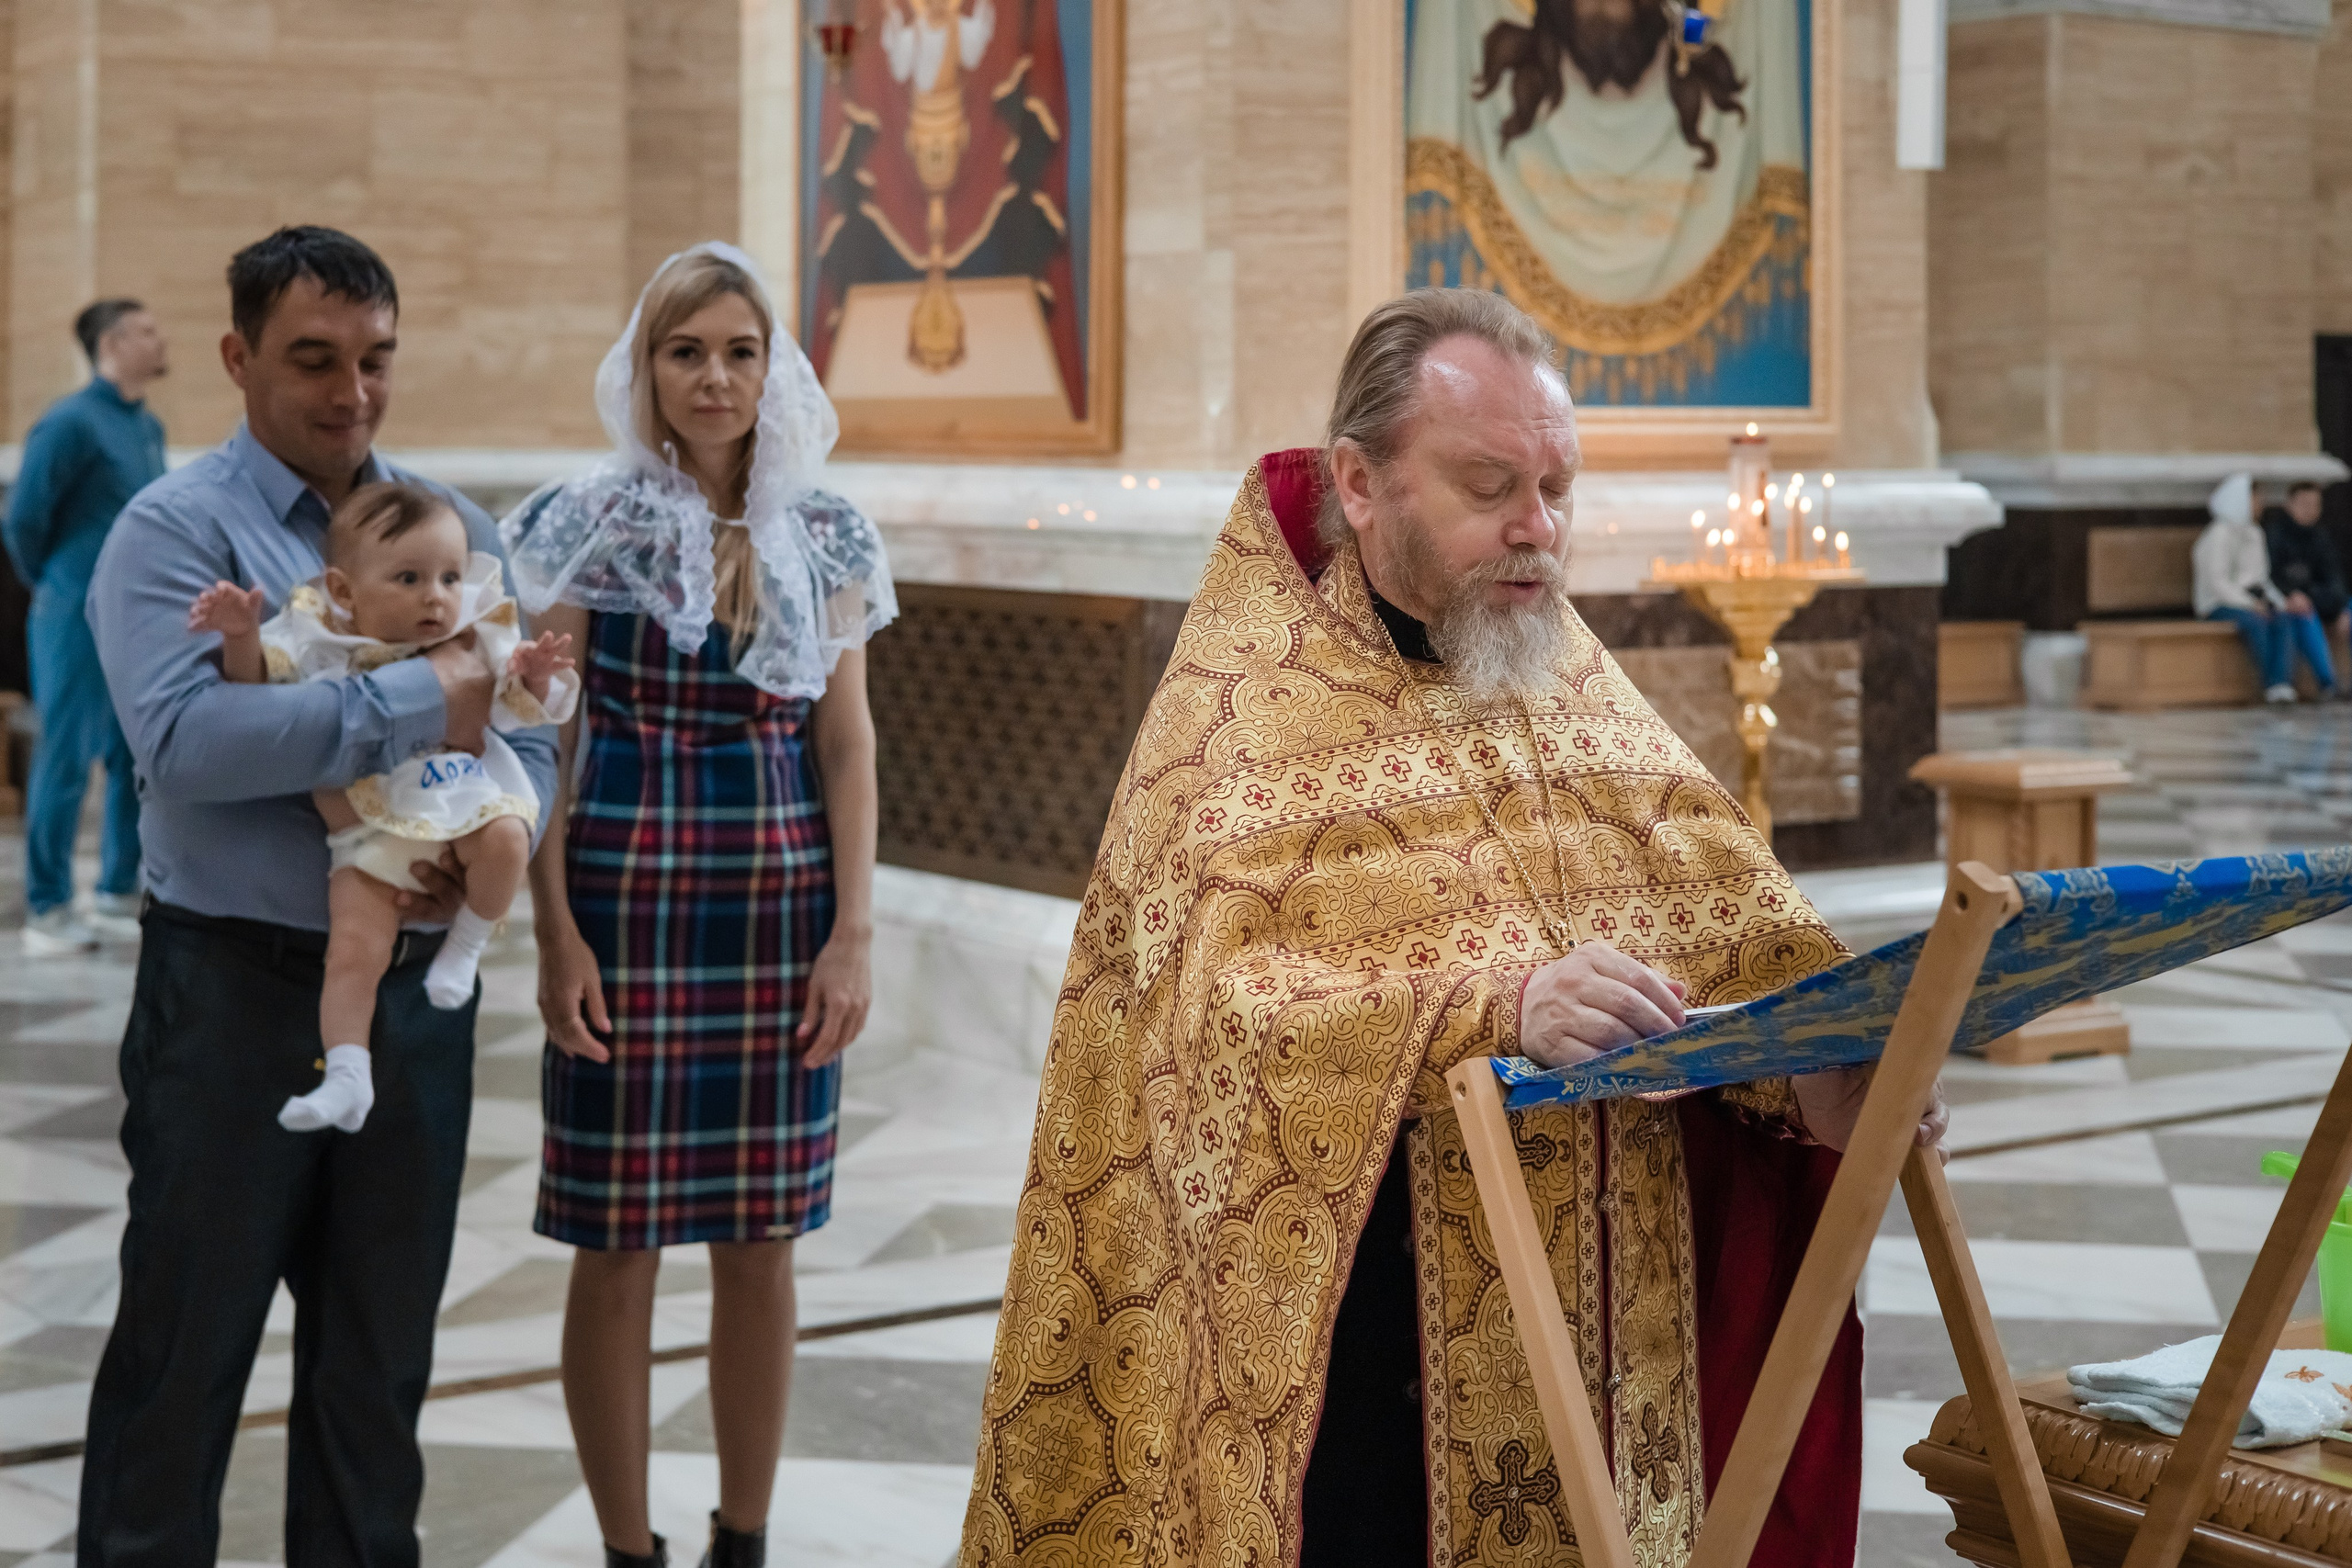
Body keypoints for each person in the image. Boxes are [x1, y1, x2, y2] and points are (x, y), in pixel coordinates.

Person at [959, 288, 1948, 1568]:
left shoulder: (1563, 678)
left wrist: (1813, 1073)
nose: (1538, 527)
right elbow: (1220, 1020)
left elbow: (1723, 932)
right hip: (1371, 1373)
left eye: (1556, 487)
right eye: (1490, 487)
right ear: (1360, 481)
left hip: (1618, 1359)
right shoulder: (1239, 715)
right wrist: (1495, 1010)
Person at [77, 226, 559, 1563]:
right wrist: (425, 693)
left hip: (408, 1005)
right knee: (181, 1365)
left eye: (376, 359)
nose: (353, 393)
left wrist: (491, 826)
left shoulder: (447, 531)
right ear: (237, 358)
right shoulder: (174, 531)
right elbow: (187, 742)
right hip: (231, 995)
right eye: (313, 359)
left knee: (376, 1375)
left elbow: (529, 729)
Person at [506, 242, 894, 1568]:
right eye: (687, 352)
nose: (715, 376)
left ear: (773, 368)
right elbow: (544, 736)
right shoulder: (584, 521)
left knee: (761, 1238)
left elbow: (845, 741)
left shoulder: (825, 531)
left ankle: (744, 1536)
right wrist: (552, 930)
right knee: (613, 1243)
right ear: (648, 369)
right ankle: (628, 1546)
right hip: (622, 905)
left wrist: (852, 933)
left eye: (740, 351)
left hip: (778, 911)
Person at [188, 480, 576, 1132]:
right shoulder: (316, 635)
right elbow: (253, 690)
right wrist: (240, 634)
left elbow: (521, 713)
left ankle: (466, 944)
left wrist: (532, 674)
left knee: (510, 837)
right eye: (409, 578)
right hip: (368, 833)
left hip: (464, 800)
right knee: (352, 953)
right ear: (343, 591)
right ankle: (347, 1076)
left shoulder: (475, 631)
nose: (437, 596)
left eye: (450, 576)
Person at [3, 298, 167, 953]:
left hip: (134, 615)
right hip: (72, 611)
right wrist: (57, 583)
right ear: (113, 343)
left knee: (133, 753)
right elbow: (23, 520)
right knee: (66, 753)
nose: (161, 341)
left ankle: (117, 888)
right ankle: (47, 907)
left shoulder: (146, 425)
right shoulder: (69, 422)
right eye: (147, 331)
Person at [2195, 473, 2302, 704]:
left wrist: (2279, 603)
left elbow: (2261, 579)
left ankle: (2282, 683)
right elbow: (2218, 583)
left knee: (2283, 619)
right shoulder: (2218, 534)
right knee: (2256, 622)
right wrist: (2251, 604)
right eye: (2255, 499)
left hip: (2251, 602)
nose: (2260, 504)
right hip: (2217, 604)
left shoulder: (2255, 533)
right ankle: (2270, 683)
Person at [2264, 479, 2346, 697]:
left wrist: (2339, 608)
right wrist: (2292, 595)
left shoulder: (2321, 537)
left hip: (2319, 599)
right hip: (2290, 602)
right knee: (2304, 613)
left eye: (2315, 504)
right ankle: (2327, 682)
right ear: (2289, 504)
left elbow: (2334, 579)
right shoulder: (2275, 535)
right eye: (2304, 504)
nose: (2310, 510)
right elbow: (2271, 576)